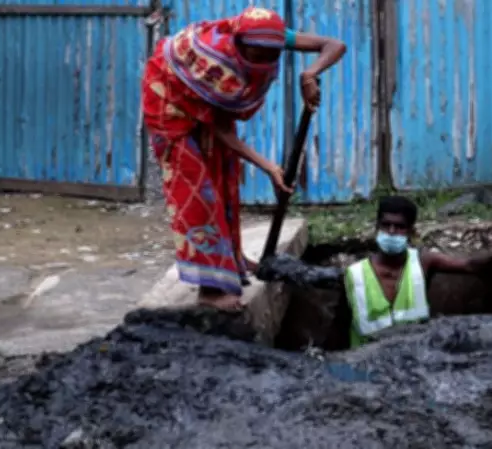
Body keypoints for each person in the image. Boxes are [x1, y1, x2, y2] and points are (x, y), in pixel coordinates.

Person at [141, 7, 346, 312]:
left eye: (271, 54)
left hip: (202, 95)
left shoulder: (270, 37)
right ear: (239, 44)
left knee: (224, 174)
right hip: (169, 101)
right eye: (257, 53)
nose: (264, 60)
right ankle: (210, 288)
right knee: (196, 190)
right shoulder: (218, 68)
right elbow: (223, 130)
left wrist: (310, 74)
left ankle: (232, 259)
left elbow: (334, 45)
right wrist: (269, 168)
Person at [345, 196, 492, 348]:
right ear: (377, 228)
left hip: (413, 356)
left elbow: (469, 265)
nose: (391, 232)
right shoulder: (354, 274)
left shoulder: (422, 262)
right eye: (386, 225)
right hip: (366, 358)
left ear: (411, 232)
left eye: (399, 227)